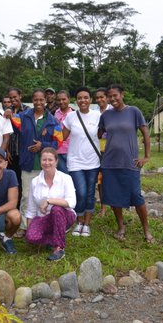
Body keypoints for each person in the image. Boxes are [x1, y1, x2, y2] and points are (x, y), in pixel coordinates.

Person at [98, 84, 154, 243]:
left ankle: (146, 230)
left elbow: (145, 133)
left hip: (130, 162)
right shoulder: (106, 115)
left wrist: (146, 156)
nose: (112, 98)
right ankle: (121, 227)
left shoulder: (134, 111)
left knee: (136, 196)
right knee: (115, 197)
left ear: (122, 94)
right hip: (109, 162)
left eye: (115, 95)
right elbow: (99, 133)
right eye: (110, 96)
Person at [9, 88, 62, 238]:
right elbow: (9, 124)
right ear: (32, 100)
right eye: (36, 100)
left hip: (45, 166)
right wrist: (7, 113)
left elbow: (57, 143)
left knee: (45, 196)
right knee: (26, 195)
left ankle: (44, 225)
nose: (38, 102)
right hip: (27, 163)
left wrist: (42, 145)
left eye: (41, 100)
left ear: (45, 100)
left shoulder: (53, 121)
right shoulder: (23, 117)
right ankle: (24, 226)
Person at [25, 147, 76, 261]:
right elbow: (31, 208)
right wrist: (30, 229)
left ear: (56, 161)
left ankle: (59, 248)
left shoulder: (66, 178)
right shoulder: (35, 182)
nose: (47, 163)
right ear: (40, 161)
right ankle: (55, 236)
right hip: (44, 217)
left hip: (65, 215)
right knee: (31, 237)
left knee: (56, 209)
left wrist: (49, 201)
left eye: (50, 160)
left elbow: (71, 203)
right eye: (44, 160)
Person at [62, 87, 101, 237]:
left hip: (93, 161)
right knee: (81, 192)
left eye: (86, 97)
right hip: (75, 161)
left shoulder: (98, 116)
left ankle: (87, 224)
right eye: (79, 98)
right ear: (76, 100)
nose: (83, 100)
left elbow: (102, 134)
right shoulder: (71, 117)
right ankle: (78, 221)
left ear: (91, 100)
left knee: (90, 193)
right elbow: (61, 137)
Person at [5, 87, 29, 210]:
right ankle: (12, 206)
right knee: (12, 180)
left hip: (23, 152)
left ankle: (21, 207)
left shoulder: (28, 111)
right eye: (11, 97)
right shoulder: (6, 111)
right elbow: (5, 133)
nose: (13, 99)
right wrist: (6, 150)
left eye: (15, 97)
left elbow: (26, 129)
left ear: (20, 96)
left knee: (22, 181)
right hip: (11, 151)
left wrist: (14, 117)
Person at [95, 87, 112, 217]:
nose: (100, 99)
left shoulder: (113, 111)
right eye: (97, 97)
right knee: (100, 179)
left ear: (107, 97)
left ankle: (116, 204)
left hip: (112, 150)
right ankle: (103, 206)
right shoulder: (94, 112)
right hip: (97, 150)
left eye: (102, 97)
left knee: (113, 179)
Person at [53, 90, 73, 174]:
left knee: (72, 176)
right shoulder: (55, 113)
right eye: (59, 100)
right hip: (58, 150)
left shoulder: (74, 114)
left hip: (71, 151)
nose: (61, 102)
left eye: (64, 99)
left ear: (69, 99)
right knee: (63, 176)